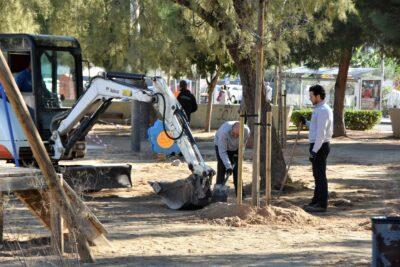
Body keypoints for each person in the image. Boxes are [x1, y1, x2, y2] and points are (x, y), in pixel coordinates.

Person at [300, 84, 333, 213]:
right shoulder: (319, 109)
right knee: (316, 175)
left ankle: (321, 204)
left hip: (320, 146)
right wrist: (306, 122)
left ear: (318, 96)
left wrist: (314, 151)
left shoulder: (323, 110)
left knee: (320, 175)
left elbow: (321, 134)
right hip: (317, 145)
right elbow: (315, 127)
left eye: (311, 96)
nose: (310, 98)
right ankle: (316, 200)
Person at [214, 121, 250, 196]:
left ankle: (240, 194)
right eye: (233, 134)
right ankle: (218, 194)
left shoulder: (246, 131)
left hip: (236, 148)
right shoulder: (224, 133)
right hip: (222, 147)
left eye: (238, 135)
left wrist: (239, 154)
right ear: (231, 129)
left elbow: (243, 144)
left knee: (237, 170)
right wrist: (228, 166)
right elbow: (222, 152)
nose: (235, 136)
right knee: (222, 167)